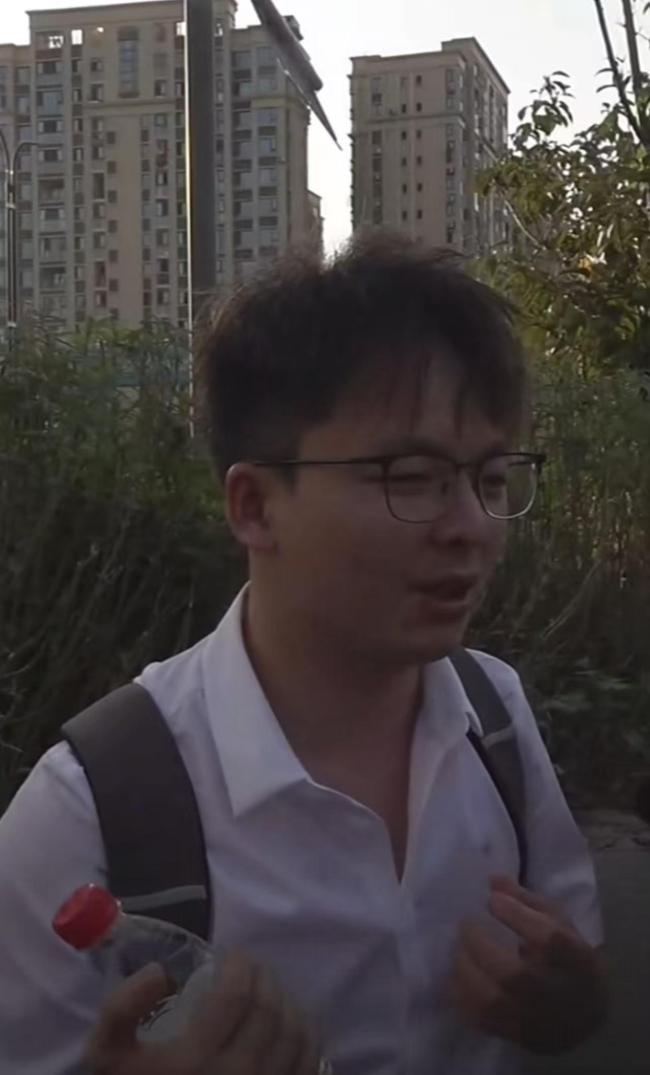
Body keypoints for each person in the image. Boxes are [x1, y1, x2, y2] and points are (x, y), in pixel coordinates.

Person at [0, 233, 606, 1074]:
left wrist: (570, 1007)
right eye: (412, 476)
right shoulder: (85, 814)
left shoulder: (495, 716)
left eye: (493, 479)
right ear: (254, 505)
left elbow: (580, 975)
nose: (472, 526)